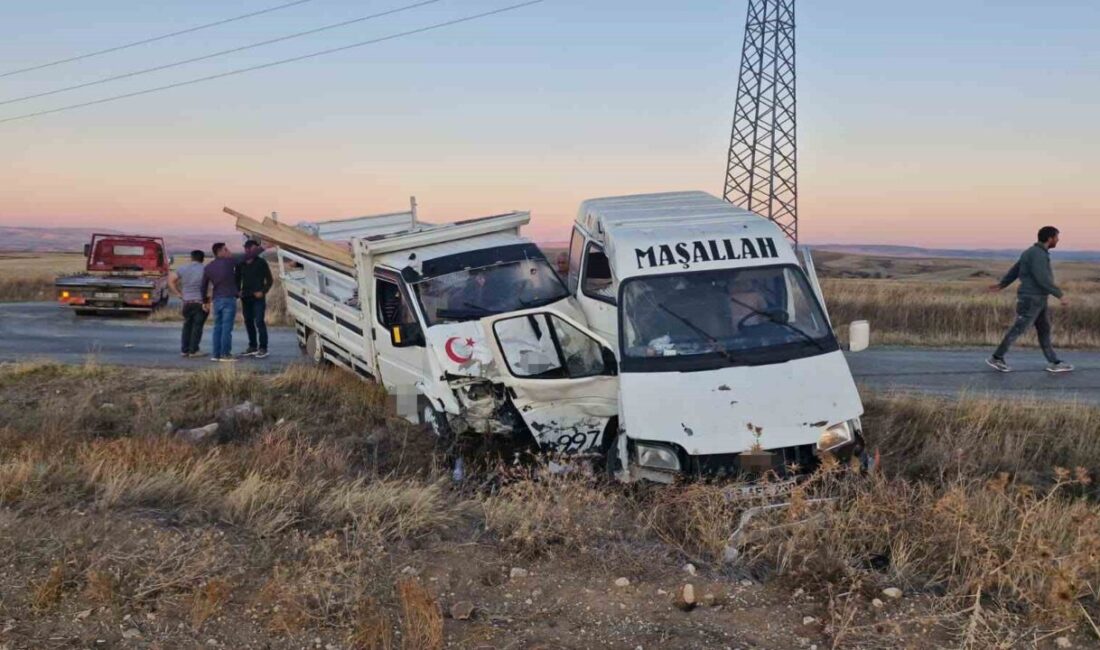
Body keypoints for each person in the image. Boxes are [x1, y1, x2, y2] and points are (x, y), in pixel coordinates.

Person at [986, 226, 1073, 373]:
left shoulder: (1031, 252)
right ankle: (996, 357)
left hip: (1039, 299)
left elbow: (1016, 269)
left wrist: (1003, 284)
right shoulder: (1037, 254)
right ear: (1049, 238)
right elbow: (1042, 279)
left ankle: (1054, 362)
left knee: (1044, 329)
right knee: (1019, 329)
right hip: (1031, 299)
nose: (1058, 240)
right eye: (1057, 237)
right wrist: (1060, 295)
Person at [201, 242, 240, 362]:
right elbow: (247, 256)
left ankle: (216, 354)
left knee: (217, 327)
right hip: (228, 298)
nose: (228, 251)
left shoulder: (208, 267)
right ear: (220, 251)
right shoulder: (229, 262)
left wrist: (205, 301)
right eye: (226, 249)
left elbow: (203, 286)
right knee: (226, 328)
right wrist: (263, 247)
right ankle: (225, 354)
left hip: (216, 300)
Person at [235, 240, 273, 358]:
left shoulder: (261, 262)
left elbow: (270, 280)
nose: (257, 251)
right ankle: (252, 347)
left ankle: (263, 348)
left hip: (258, 298)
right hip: (245, 297)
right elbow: (236, 280)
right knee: (248, 322)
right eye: (255, 248)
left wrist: (263, 291)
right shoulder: (240, 263)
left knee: (259, 321)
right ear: (247, 249)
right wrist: (238, 292)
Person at [168, 250, 207, 357]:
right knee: (197, 327)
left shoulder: (183, 268)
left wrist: (178, 294)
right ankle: (194, 350)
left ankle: (184, 350)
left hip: (187, 302)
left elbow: (171, 280)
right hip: (200, 302)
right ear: (202, 259)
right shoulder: (205, 269)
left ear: (191, 258)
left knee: (187, 326)